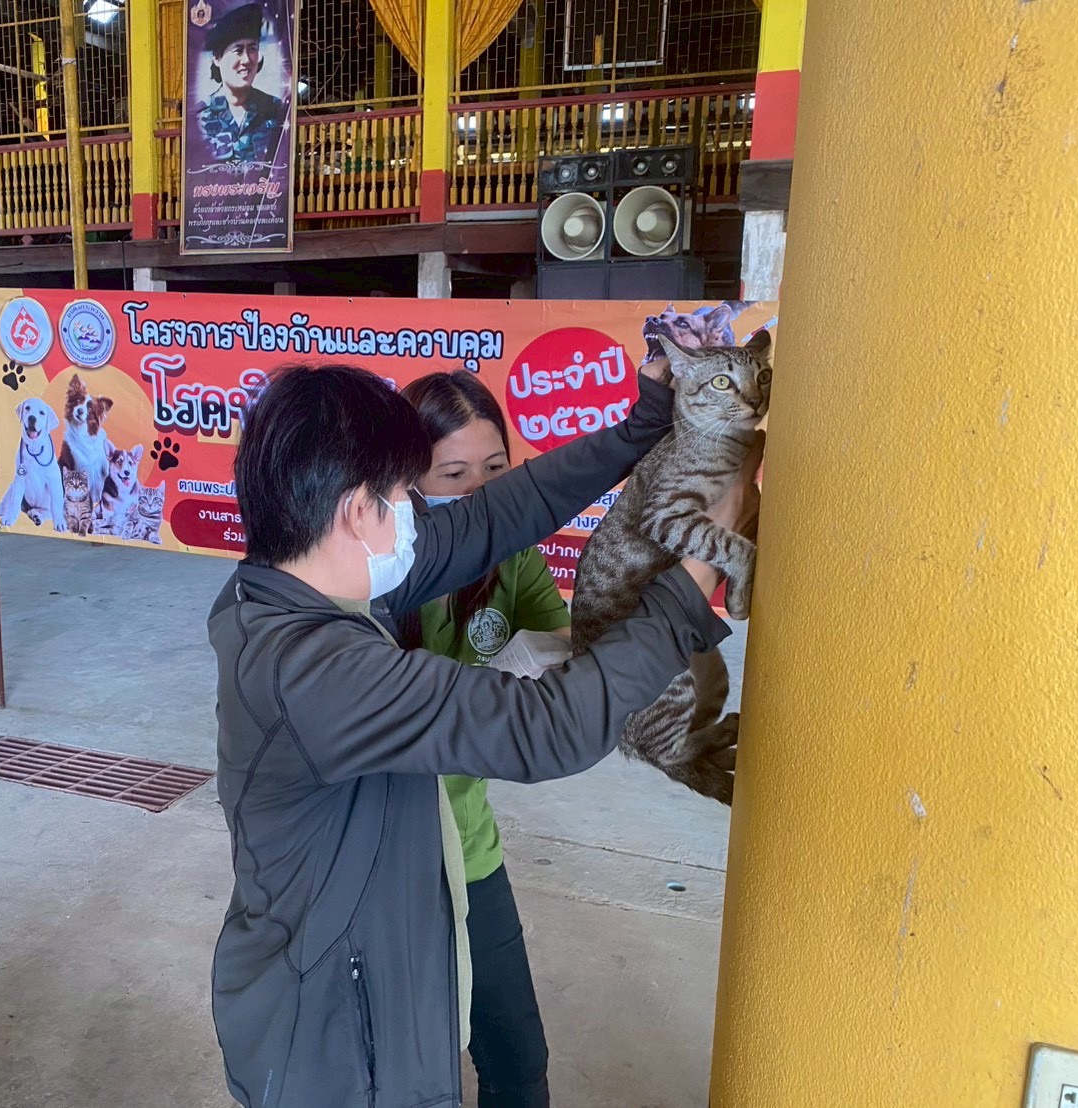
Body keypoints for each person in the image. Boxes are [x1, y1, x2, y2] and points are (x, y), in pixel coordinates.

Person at [209, 362, 760, 1107]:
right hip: (334, 1034)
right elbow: (548, 728)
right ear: (357, 510)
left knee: (511, 1057)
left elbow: (496, 516)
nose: (417, 514)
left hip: (384, 942)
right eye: (403, 496)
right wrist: (690, 584)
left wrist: (640, 428)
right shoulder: (315, 672)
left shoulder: (303, 585)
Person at [398, 370, 568, 1108]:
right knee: (408, 1070)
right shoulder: (376, 569)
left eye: (495, 471)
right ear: (405, 481)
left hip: (469, 848)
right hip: (385, 860)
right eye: (454, 475)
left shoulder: (514, 553)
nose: (480, 496)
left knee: (518, 1062)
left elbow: (565, 650)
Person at [195, 3, 287, 165]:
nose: (246, 60)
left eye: (252, 49)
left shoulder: (276, 110)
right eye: (237, 51)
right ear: (217, 58)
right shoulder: (198, 117)